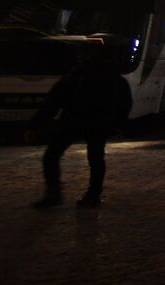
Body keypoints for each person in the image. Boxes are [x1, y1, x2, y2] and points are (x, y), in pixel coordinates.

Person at [29, 43, 133, 209]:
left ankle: (54, 194)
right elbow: (124, 104)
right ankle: (93, 195)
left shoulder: (75, 75)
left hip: (73, 121)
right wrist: (117, 125)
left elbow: (53, 102)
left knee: (51, 156)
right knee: (96, 159)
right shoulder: (114, 78)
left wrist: (35, 125)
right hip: (98, 124)